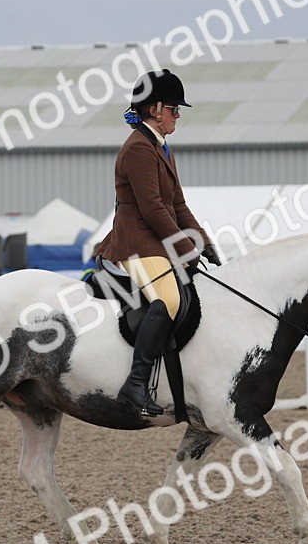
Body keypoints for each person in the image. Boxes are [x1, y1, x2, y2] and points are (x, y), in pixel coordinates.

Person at [94, 69, 220, 416]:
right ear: (155, 109)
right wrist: (184, 248)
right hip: (135, 243)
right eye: (174, 109)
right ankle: (136, 382)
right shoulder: (138, 148)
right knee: (168, 299)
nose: (177, 115)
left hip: (154, 242)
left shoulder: (160, 147)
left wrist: (203, 241)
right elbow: (152, 209)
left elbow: (177, 204)